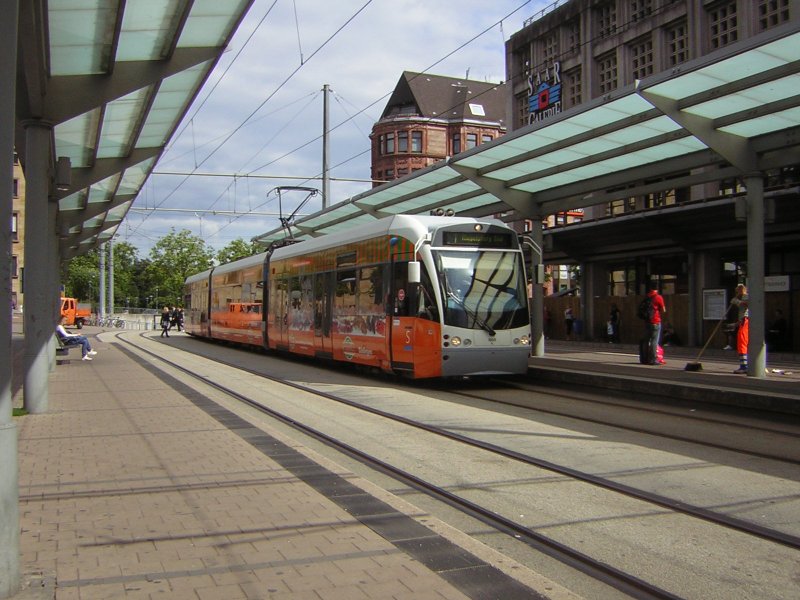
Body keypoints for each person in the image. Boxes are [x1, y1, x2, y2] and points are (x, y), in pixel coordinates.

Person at [645, 284, 666, 365]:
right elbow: (663, 309)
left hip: (647, 321)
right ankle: (653, 359)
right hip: (655, 321)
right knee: (654, 340)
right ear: (657, 289)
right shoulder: (658, 297)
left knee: (647, 340)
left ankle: (646, 357)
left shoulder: (648, 297)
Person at [731, 284, 749, 373]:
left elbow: (747, 305)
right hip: (743, 321)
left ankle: (744, 366)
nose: (737, 293)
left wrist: (737, 301)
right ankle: (744, 365)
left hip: (746, 321)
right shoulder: (742, 297)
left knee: (742, 342)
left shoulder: (746, 297)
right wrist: (737, 323)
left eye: (738, 291)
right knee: (741, 343)